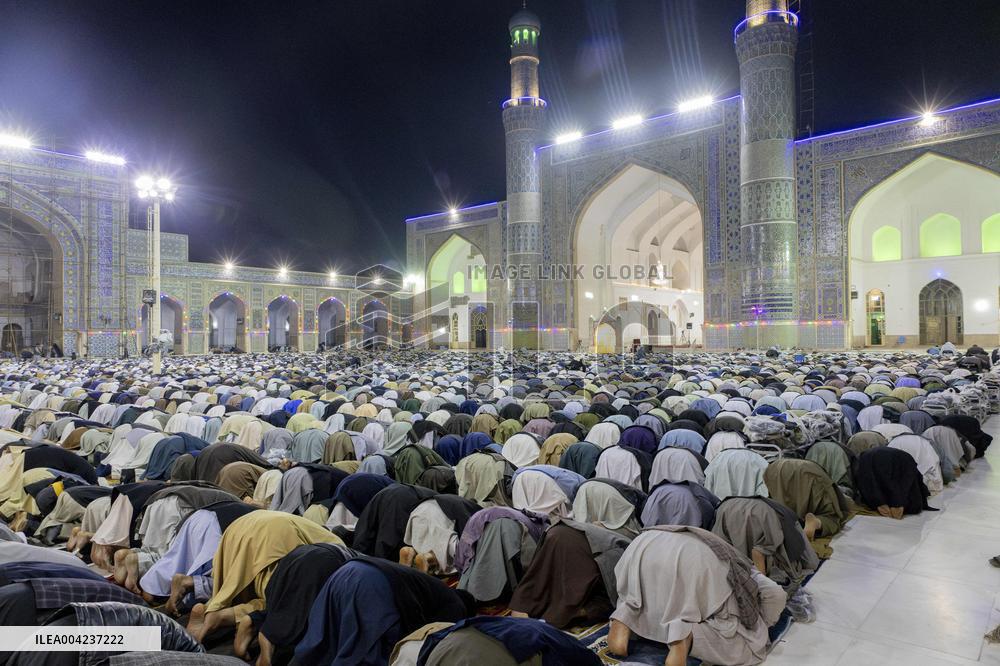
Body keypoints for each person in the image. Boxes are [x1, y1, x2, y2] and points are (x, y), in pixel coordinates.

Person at [608, 526, 786, 666]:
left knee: (640, 594)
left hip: (644, 543)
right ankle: (685, 634)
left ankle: (625, 616)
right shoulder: (742, 565)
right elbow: (775, 594)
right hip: (697, 561)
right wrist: (763, 626)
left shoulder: (708, 537)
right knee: (746, 645)